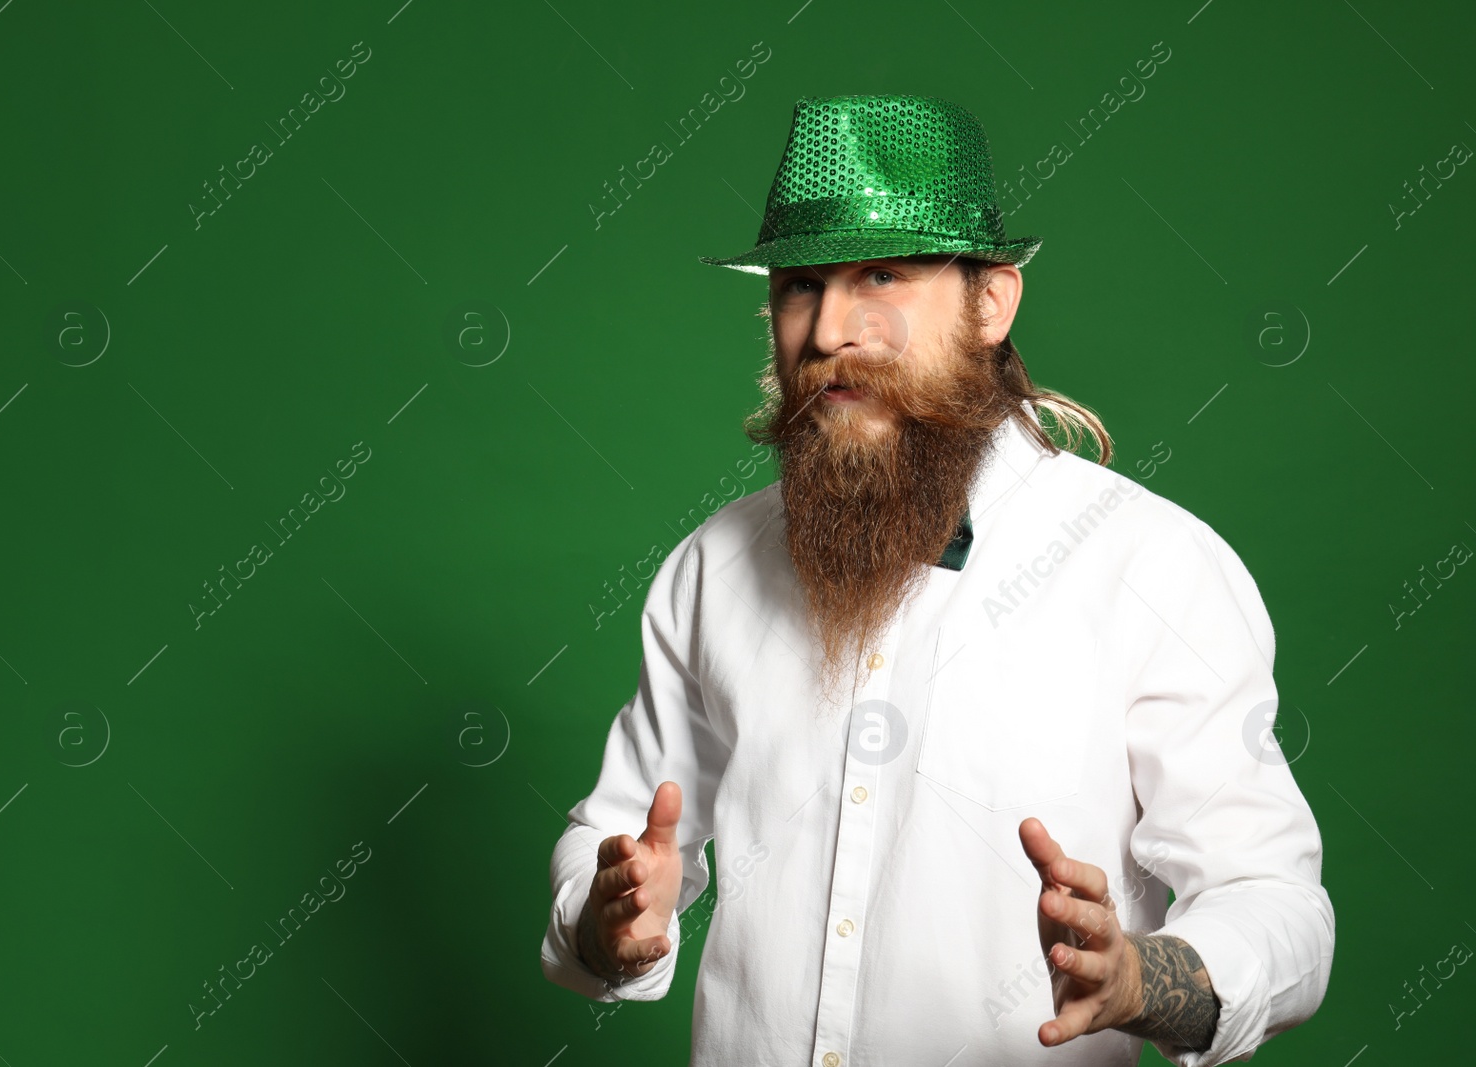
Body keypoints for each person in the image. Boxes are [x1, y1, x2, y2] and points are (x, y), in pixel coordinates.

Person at [540, 94, 1334, 1066]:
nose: (828, 326)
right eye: (799, 285)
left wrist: (1142, 977)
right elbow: (614, 837)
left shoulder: (1152, 563)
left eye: (881, 274)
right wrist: (607, 919)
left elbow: (1280, 905)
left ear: (991, 303)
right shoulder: (711, 565)